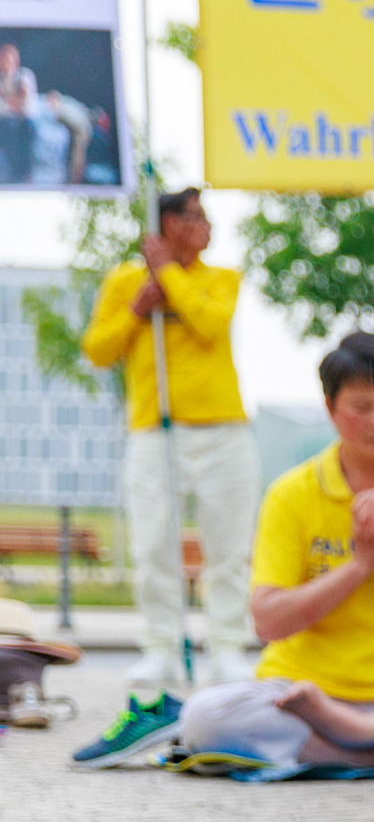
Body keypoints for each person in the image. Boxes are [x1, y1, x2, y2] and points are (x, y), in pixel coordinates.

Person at [169, 333, 374, 771]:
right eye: (362, 406)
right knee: (205, 717)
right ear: (330, 408)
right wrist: (360, 565)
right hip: (304, 695)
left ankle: (353, 745)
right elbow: (268, 621)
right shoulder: (292, 494)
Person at [78, 188, 261, 691]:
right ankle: (159, 647)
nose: (207, 225)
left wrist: (169, 274)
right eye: (195, 216)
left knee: (228, 546)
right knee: (154, 543)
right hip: (154, 431)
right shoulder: (124, 281)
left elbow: (208, 324)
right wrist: (138, 307)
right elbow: (97, 350)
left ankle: (226, 647)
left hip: (223, 430)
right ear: (167, 223)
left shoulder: (222, 278)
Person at [0, 45, 35, 183]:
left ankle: (25, 173)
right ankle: (11, 174)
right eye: (3, 59)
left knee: (30, 126)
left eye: (9, 60)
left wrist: (10, 103)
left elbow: (29, 105)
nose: (6, 63)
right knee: (9, 126)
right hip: (4, 121)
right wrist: (11, 104)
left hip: (23, 121)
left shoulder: (25, 76)